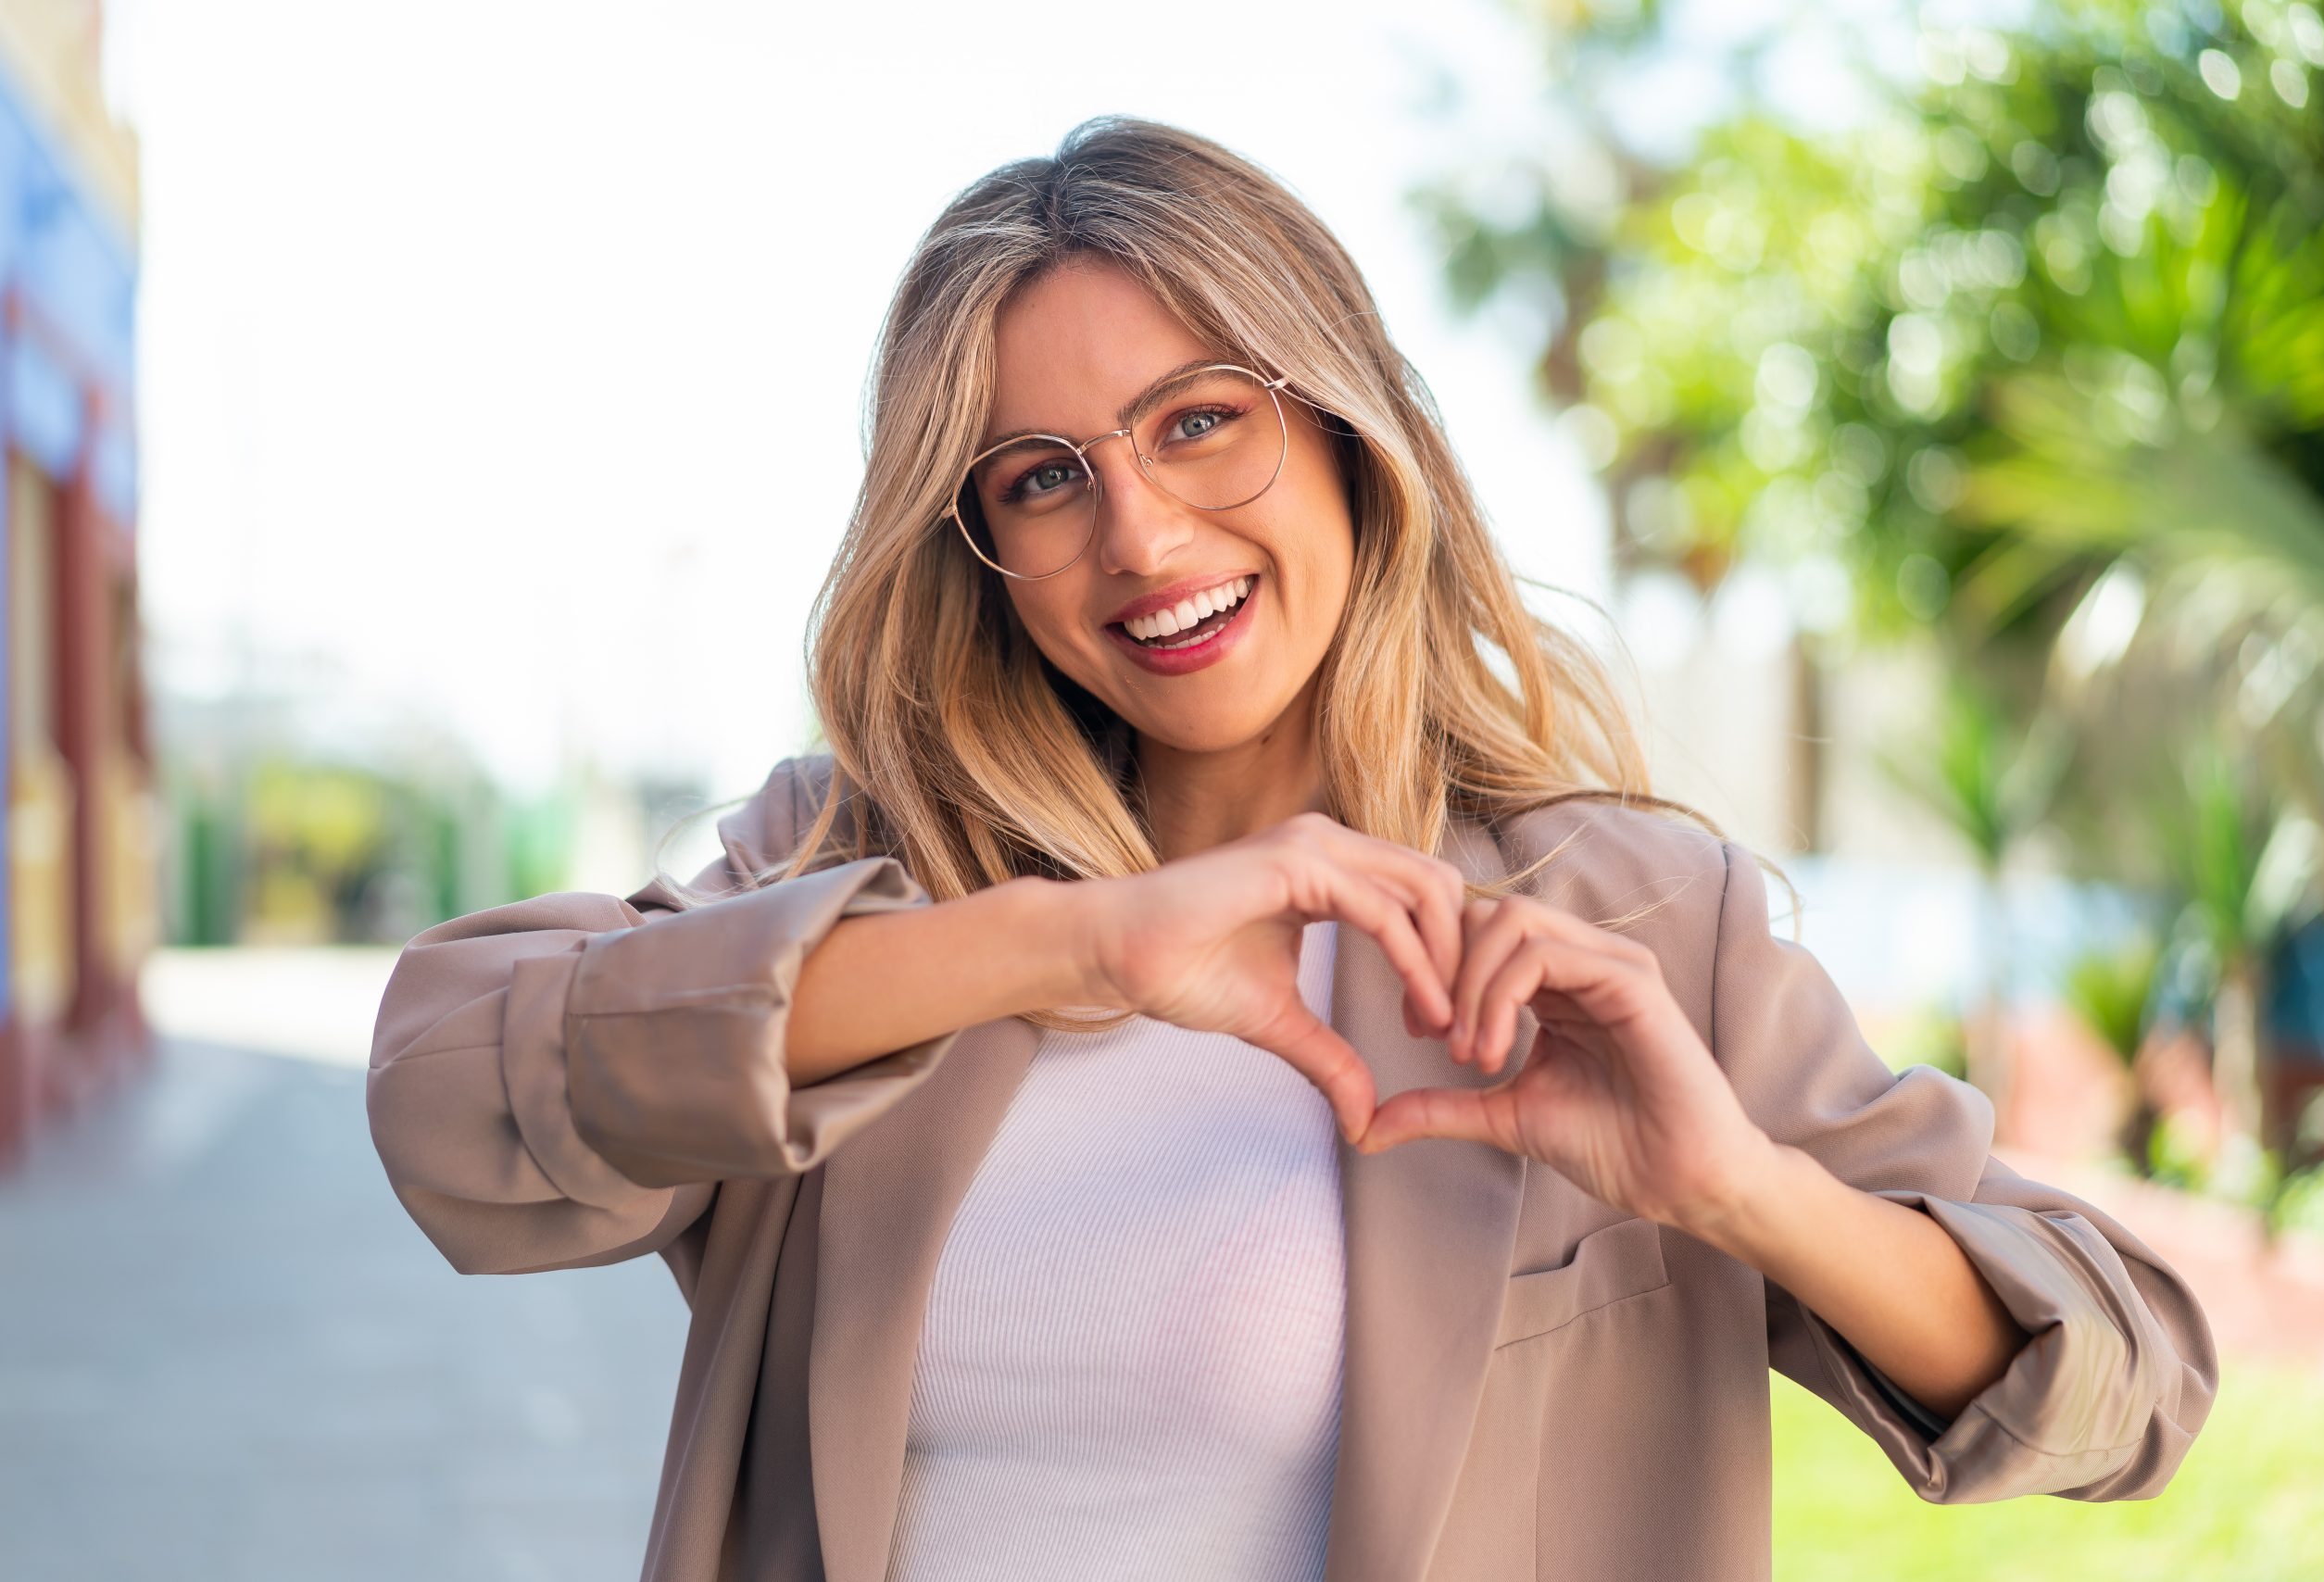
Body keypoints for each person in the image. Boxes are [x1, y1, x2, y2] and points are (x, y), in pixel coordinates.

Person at [366, 115, 2217, 1582]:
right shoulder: (863, 872)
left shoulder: (1624, 915)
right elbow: (452, 1098)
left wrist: (1735, 1187)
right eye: (1041, 475)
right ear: (977, 543)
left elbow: (2125, 1390)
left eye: (1199, 425)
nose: (1143, 538)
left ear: (1348, 439)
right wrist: (1069, 945)